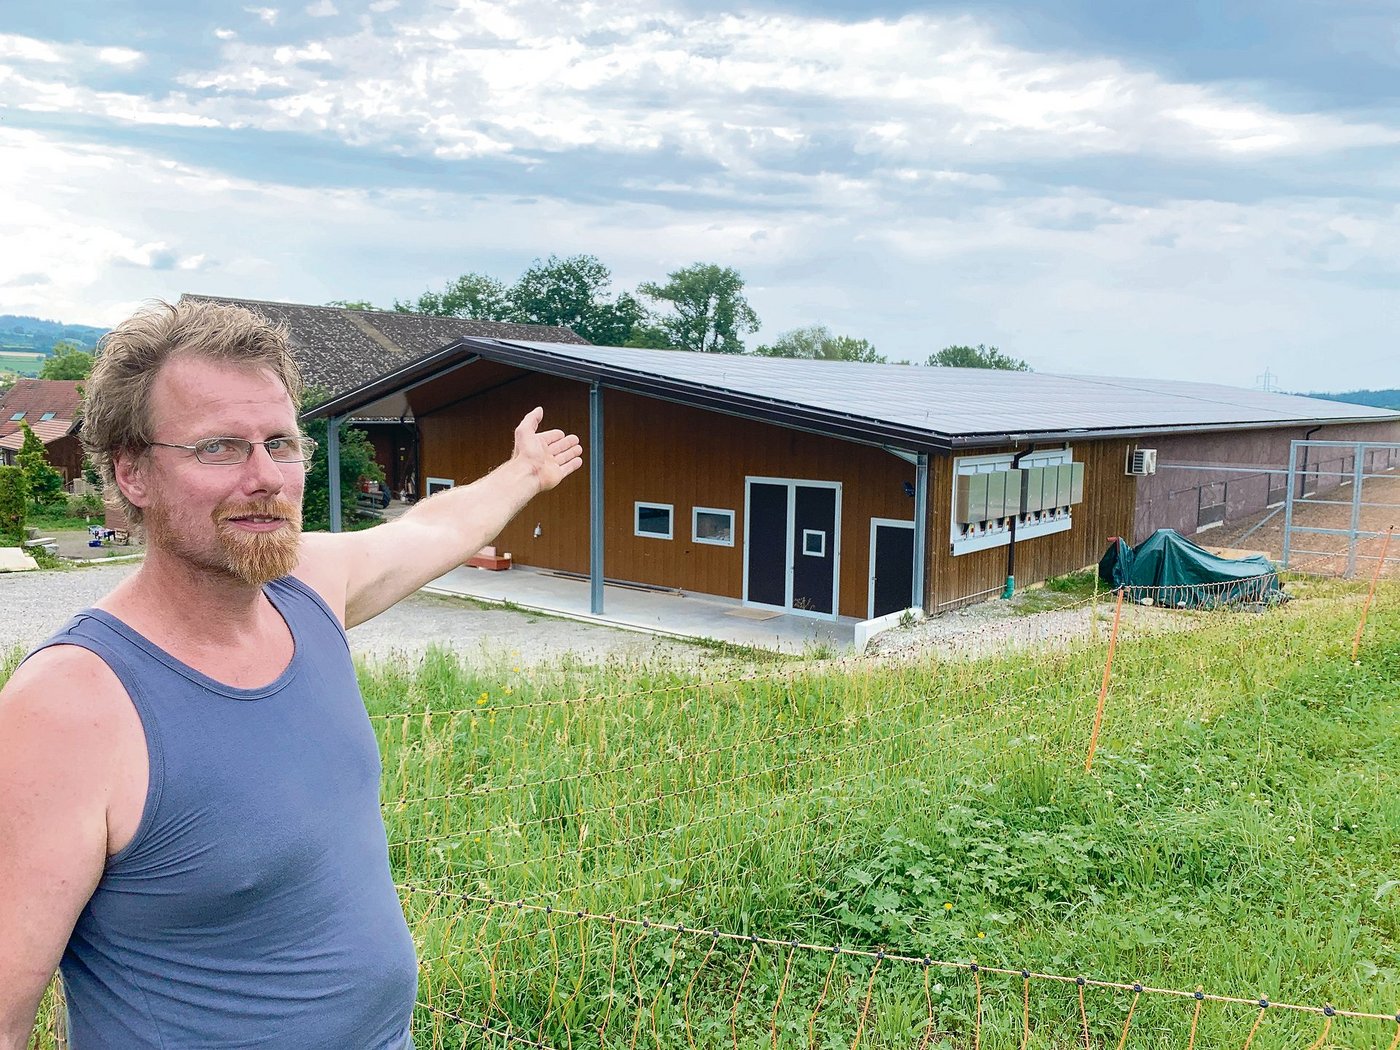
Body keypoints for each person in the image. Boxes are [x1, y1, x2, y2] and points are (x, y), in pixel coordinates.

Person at [0, 299, 582, 1049]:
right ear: (131, 473)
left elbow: (432, 529)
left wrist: (521, 473)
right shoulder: (70, 706)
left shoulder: (308, 588)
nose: (266, 477)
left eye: (280, 442)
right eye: (219, 448)